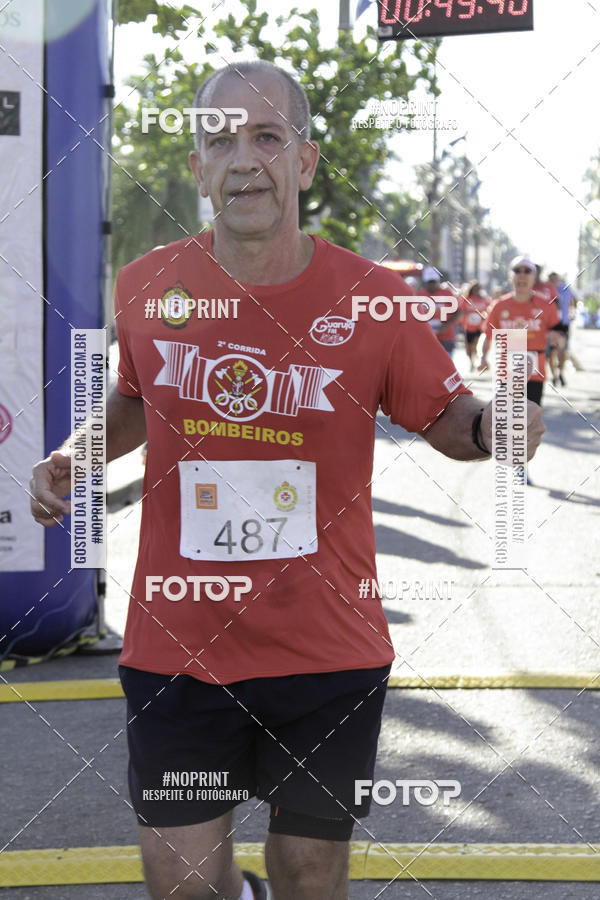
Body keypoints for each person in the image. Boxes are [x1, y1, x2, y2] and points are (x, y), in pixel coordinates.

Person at [29, 62, 546, 900]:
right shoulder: (148, 286)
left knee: (310, 873)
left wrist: (497, 425)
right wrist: (74, 455)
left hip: (326, 648)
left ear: (304, 162)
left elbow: (445, 418)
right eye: (220, 140)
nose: (243, 160)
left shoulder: (376, 299)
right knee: (183, 884)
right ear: (197, 166)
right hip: (178, 646)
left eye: (267, 137)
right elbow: (134, 401)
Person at [479, 256, 561, 408]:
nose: (522, 275)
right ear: (511, 276)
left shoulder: (546, 305)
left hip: (535, 371)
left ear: (534, 277)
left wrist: (557, 339)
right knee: (507, 420)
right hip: (507, 369)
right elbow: (487, 334)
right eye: (517, 271)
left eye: (527, 271)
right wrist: (482, 357)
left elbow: (559, 333)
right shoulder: (499, 305)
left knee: (530, 419)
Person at [421, 266, 463, 357]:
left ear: (438, 281)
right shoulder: (418, 295)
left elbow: (459, 312)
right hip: (425, 339)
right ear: (425, 282)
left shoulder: (447, 294)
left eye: (434, 282)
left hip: (445, 338)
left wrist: (446, 325)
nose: (432, 285)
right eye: (429, 282)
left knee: (446, 368)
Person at [548, 272, 577, 385]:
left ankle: (561, 373)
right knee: (552, 352)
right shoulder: (546, 290)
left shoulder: (565, 289)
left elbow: (574, 299)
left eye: (555, 279)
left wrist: (572, 312)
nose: (553, 281)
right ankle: (554, 376)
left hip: (564, 323)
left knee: (563, 350)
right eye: (551, 279)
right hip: (551, 324)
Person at [461, 280, 489, 371]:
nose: (476, 290)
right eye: (475, 288)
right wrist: (469, 314)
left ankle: (478, 361)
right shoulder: (467, 299)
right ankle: (471, 361)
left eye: (478, 288)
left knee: (476, 344)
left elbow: (488, 311)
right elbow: (461, 311)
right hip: (468, 327)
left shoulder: (483, 299)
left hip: (479, 327)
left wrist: (483, 316)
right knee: (468, 347)